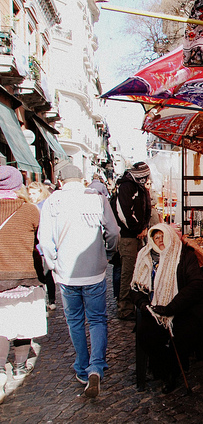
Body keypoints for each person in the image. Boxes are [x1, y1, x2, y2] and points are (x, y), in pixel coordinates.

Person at [38, 164, 119, 398]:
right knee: (97, 320)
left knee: (75, 321)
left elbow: (45, 241)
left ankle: (82, 367)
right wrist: (108, 253)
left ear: (61, 181)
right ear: (82, 179)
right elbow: (113, 233)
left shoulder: (53, 201)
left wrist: (54, 264)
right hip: (94, 270)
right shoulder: (96, 199)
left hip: (66, 273)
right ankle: (96, 367)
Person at [130, 223, 203, 393]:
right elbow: (136, 288)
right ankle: (163, 369)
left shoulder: (184, 256)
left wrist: (171, 308)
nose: (160, 241)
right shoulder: (145, 258)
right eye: (156, 237)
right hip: (155, 309)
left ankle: (172, 372)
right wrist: (143, 304)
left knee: (182, 333)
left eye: (163, 236)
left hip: (182, 308)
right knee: (146, 332)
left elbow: (196, 285)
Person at [0, 166, 46, 404]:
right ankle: (19, 367)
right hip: (24, 277)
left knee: (1, 326)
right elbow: (42, 241)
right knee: (22, 323)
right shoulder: (29, 210)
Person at [111, 162, 152, 321]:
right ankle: (124, 308)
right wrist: (139, 229)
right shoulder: (127, 187)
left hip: (136, 235)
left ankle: (131, 305)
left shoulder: (136, 186)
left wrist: (143, 228)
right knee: (127, 273)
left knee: (136, 271)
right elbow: (125, 213)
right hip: (129, 237)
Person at [28, 181, 56, 310]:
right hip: (38, 247)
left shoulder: (42, 205)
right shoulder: (32, 206)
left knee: (45, 274)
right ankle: (49, 300)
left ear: (40, 192)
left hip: (42, 246)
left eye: (34, 193)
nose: (31, 196)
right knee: (45, 274)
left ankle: (49, 300)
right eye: (29, 193)